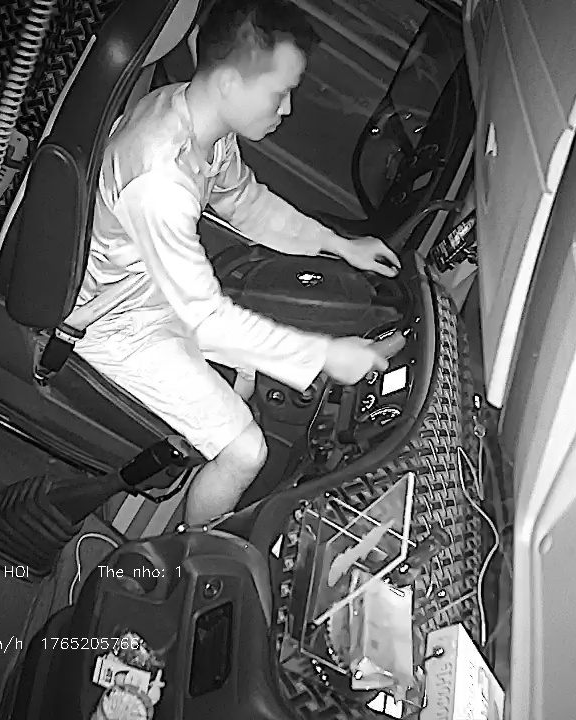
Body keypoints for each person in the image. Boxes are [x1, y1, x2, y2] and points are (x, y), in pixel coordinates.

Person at [74, 0, 401, 527]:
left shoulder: (190, 116)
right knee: (246, 450)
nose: (287, 108)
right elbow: (205, 319)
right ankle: (186, 556)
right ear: (229, 84)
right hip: (111, 320)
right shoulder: (160, 180)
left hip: (146, 287)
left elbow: (245, 203)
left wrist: (339, 244)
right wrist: (326, 356)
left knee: (248, 370)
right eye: (280, 92)